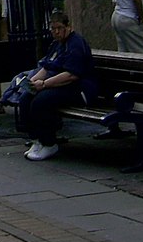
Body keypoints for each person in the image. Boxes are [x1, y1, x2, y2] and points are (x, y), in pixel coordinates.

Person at [21, 11, 97, 161]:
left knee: (41, 102)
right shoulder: (56, 44)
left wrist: (43, 84)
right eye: (53, 28)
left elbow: (71, 75)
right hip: (60, 85)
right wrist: (32, 82)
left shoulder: (75, 44)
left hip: (79, 89)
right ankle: (36, 139)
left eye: (59, 28)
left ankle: (49, 143)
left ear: (68, 27)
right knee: (26, 98)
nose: (56, 32)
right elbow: (48, 67)